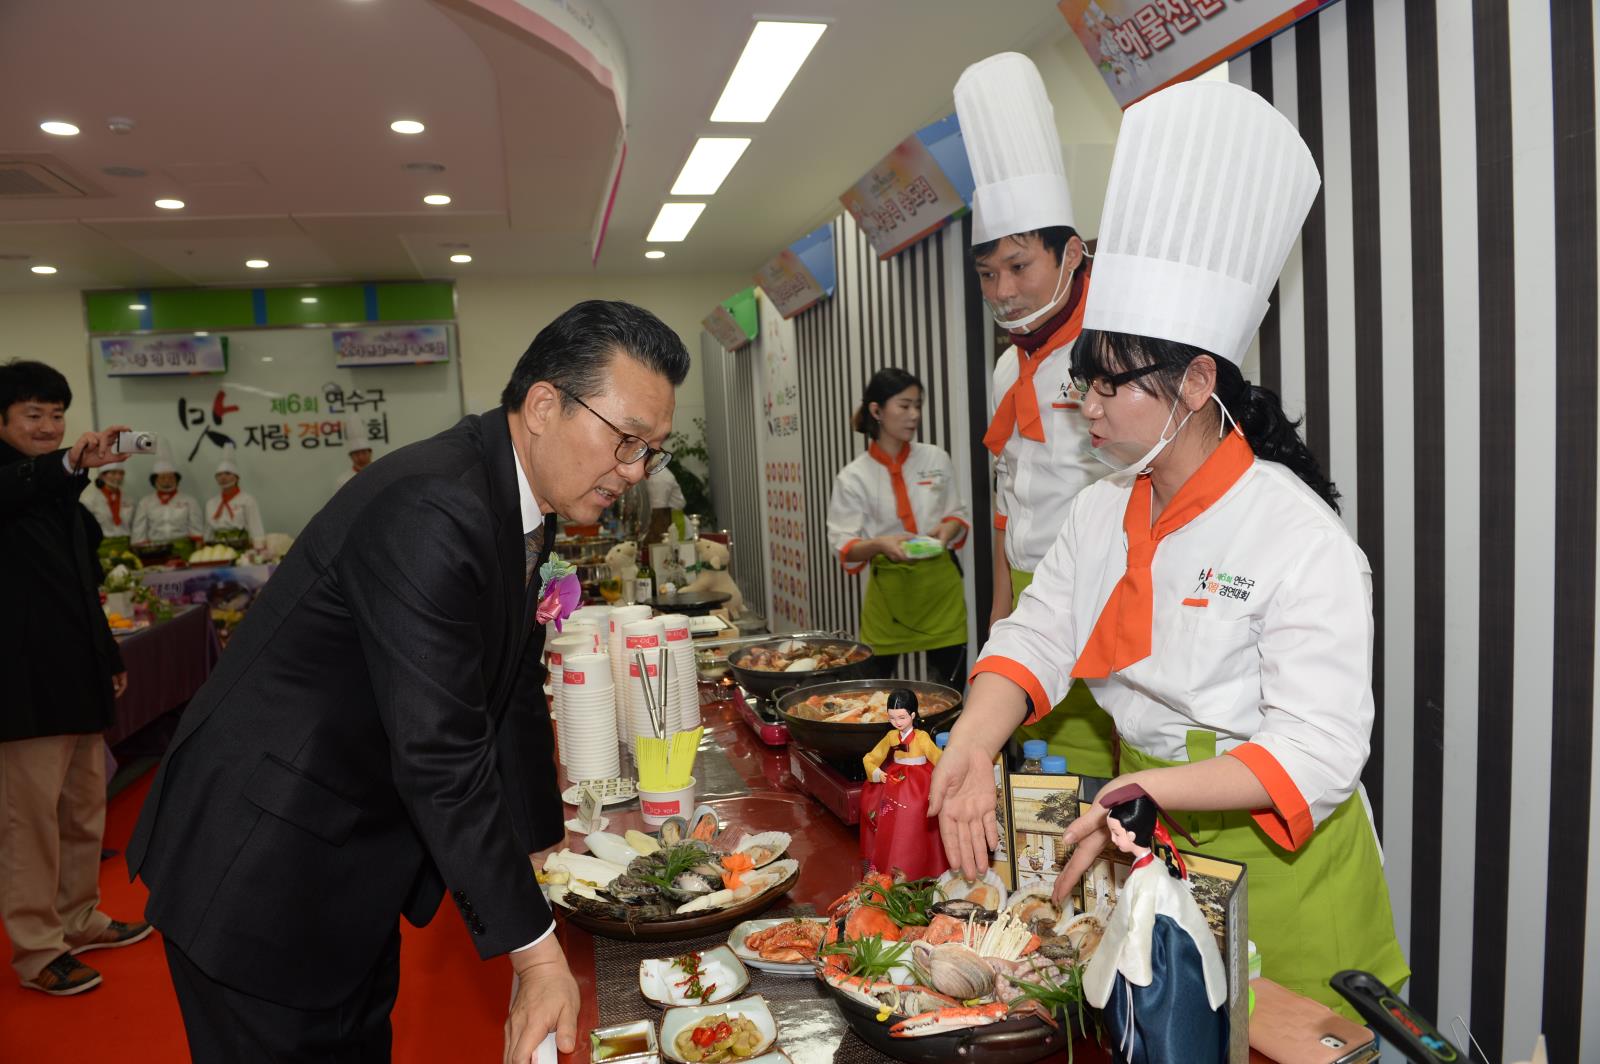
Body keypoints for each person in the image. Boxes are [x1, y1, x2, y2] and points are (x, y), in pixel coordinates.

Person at [929, 81, 1407, 1018]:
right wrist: (977, 740)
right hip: (1158, 853)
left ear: (1195, 382)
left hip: (1291, 873)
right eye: (1084, 387)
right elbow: (1037, 631)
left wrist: (1145, 787)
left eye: (1114, 389)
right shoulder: (1103, 513)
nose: (1090, 411)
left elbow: (1317, 748)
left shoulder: (1295, 534)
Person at [128, 300, 688, 1062]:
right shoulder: (436, 503)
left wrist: (537, 853)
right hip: (262, 859)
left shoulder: (521, 496)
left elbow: (512, 686)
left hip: (348, 854)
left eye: (650, 451)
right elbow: (440, 749)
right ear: (544, 404)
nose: (634, 471)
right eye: (626, 442)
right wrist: (535, 952)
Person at [955, 52, 1116, 787]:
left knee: (1099, 785)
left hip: (1102, 595)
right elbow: (1005, 500)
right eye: (989, 274)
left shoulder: (1115, 358)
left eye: (1020, 266)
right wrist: (997, 614)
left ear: (1072, 252)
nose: (1005, 291)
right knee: (1037, 782)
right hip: (1028, 598)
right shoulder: (1003, 368)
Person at [0, 359, 151, 997]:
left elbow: (80, 584)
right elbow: (21, 486)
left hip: (76, 673)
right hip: (21, 683)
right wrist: (66, 465)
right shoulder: (22, 483)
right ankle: (37, 950)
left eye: (57, 415)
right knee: (27, 820)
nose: (48, 425)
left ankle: (79, 917)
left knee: (84, 810)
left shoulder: (60, 492)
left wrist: (108, 657)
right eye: (33, 414)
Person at [827, 368, 969, 684]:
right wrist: (880, 544)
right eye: (904, 406)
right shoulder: (853, 477)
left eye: (918, 405)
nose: (914, 415)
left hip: (941, 593)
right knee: (878, 695)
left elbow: (956, 513)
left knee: (948, 697)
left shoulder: (936, 458)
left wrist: (948, 530)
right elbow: (846, 547)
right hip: (888, 597)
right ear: (876, 411)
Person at [1081, 785, 1228, 1064]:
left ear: (1132, 835)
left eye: (1116, 834)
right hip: (1173, 956)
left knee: (1157, 1029)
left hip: (1161, 965)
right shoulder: (1155, 868)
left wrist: (1131, 971)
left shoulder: (1146, 879)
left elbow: (1138, 932)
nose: (1112, 840)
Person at [859, 689, 947, 881]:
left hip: (920, 781)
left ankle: (921, 868)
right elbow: (872, 757)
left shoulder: (922, 737)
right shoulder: (891, 737)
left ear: (913, 715)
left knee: (918, 814)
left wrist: (942, 780)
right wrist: (876, 772)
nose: (897, 722)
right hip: (894, 779)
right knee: (883, 813)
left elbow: (938, 758)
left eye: (901, 717)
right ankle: (887, 869)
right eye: (892, 718)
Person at [204, 445, 266, 548]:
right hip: (217, 548)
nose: (223, 478)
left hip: (241, 545)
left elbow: (255, 527)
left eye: (227, 474)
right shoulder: (211, 503)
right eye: (219, 475)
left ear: (236, 477)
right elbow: (208, 530)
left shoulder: (247, 500)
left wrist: (258, 548)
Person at [131, 455, 203, 544]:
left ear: (177, 480)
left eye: (171, 477)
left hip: (183, 546)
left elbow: (196, 528)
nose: (167, 481)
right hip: (155, 548)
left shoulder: (190, 501)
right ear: (155, 480)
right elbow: (139, 530)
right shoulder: (145, 503)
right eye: (163, 477)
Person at [82, 465, 130, 538]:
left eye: (121, 473)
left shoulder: (129, 500)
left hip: (125, 543)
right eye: (113, 473)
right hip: (99, 544)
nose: (118, 477)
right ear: (102, 476)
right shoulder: (89, 500)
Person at [644, 461, 686, 544]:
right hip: (661, 519)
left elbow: (659, 513)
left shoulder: (658, 476)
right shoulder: (651, 472)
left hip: (669, 522)